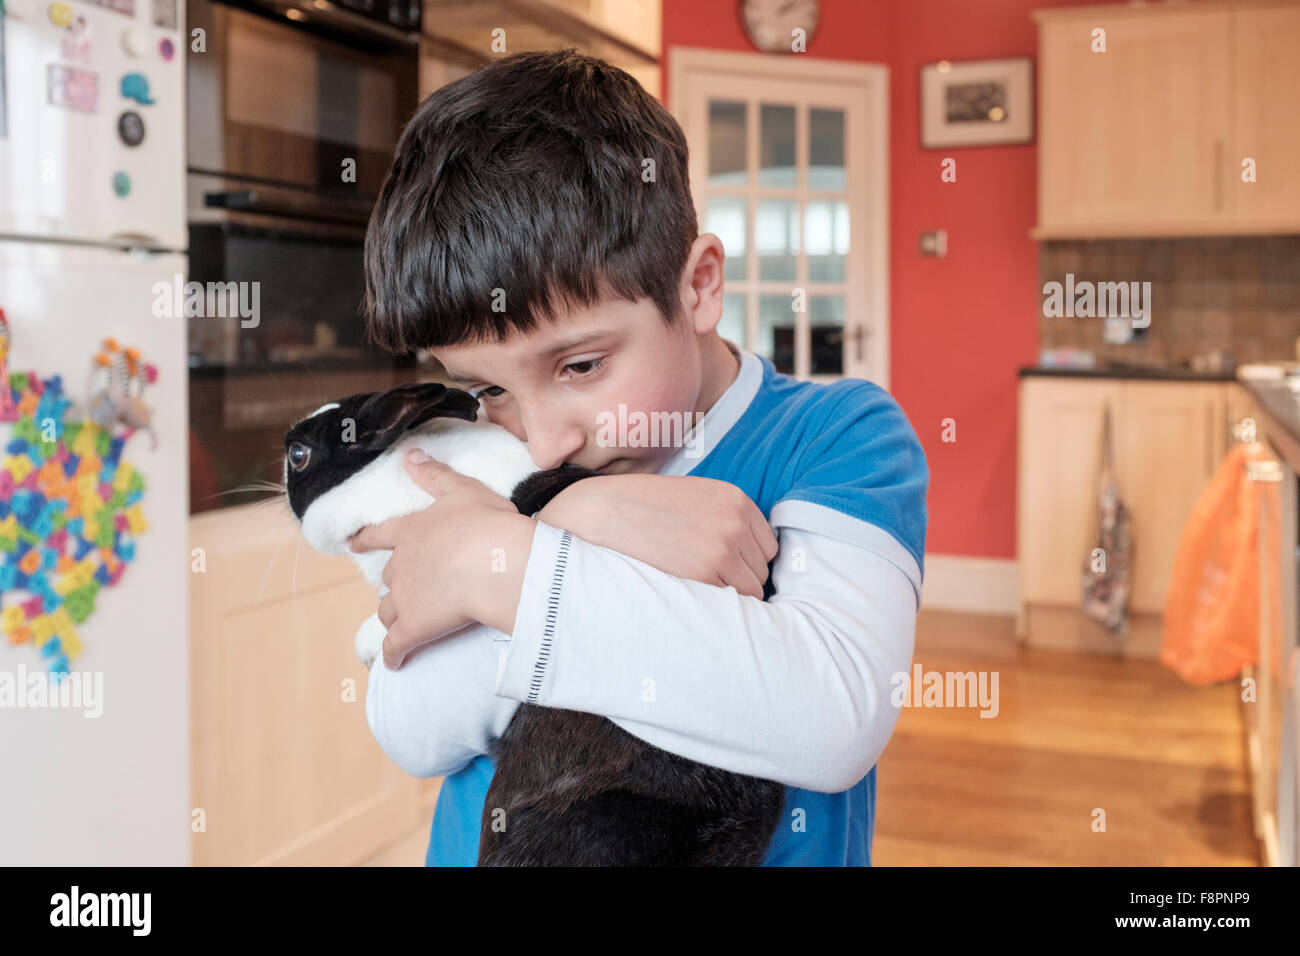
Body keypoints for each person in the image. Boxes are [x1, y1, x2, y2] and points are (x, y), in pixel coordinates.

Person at [350, 49, 928, 866]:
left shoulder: (837, 434)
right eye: (489, 389)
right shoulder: (473, 460)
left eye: (580, 367)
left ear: (697, 286)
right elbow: (409, 728)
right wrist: (575, 522)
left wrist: (495, 565)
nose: (545, 442)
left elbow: (830, 716)